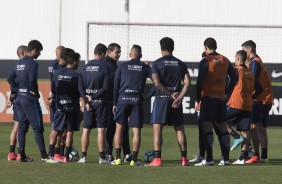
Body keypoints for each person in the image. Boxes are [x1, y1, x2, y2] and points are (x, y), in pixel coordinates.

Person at [7, 40, 57, 163]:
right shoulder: (34, 64)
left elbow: (10, 79)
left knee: (22, 128)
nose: (39, 54)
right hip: (29, 99)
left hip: (19, 99)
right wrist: (33, 92)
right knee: (38, 128)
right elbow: (32, 79)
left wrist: (18, 90)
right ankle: (44, 157)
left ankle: (22, 155)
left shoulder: (19, 63)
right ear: (34, 50)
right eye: (39, 52)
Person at [146, 37, 190, 167]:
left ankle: (157, 159)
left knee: (157, 130)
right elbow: (187, 83)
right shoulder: (180, 63)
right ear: (173, 48)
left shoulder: (157, 63)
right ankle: (184, 160)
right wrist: (179, 97)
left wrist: (170, 94)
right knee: (180, 130)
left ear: (161, 49)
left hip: (161, 100)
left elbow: (157, 83)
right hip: (176, 101)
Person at [195, 37, 238, 166]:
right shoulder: (225, 60)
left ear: (206, 48)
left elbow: (199, 82)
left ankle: (208, 160)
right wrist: (225, 91)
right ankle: (225, 159)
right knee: (223, 128)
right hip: (221, 99)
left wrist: (198, 97)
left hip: (208, 98)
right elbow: (235, 77)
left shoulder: (205, 61)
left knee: (207, 127)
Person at [111, 45, 151, 166]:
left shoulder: (122, 66)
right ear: (141, 55)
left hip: (122, 99)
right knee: (136, 131)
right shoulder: (144, 67)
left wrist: (114, 103)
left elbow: (116, 86)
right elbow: (157, 81)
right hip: (136, 100)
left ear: (130, 54)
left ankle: (117, 158)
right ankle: (133, 160)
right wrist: (147, 95)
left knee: (119, 129)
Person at [227, 50, 261, 164]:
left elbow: (228, 86)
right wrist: (251, 97)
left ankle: (235, 136)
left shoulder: (236, 71)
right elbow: (260, 89)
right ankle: (242, 158)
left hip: (236, 104)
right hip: (247, 105)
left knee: (218, 119)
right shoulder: (251, 73)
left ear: (237, 59)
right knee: (245, 131)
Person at [77, 43, 110, 164]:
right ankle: (102, 158)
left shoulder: (85, 67)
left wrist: (86, 100)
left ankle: (83, 157)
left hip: (88, 105)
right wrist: (94, 97)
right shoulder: (104, 67)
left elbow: (80, 87)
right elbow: (106, 87)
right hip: (100, 102)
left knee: (86, 130)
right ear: (102, 54)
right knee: (101, 130)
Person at [48, 48, 81, 162]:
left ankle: (49, 155)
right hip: (73, 106)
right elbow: (80, 91)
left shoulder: (57, 73)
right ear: (75, 62)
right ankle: (66, 157)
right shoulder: (77, 75)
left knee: (56, 129)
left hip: (60, 106)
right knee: (70, 131)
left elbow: (53, 89)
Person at [104, 43, 132, 162]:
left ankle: (126, 153)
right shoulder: (108, 65)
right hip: (110, 101)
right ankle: (109, 153)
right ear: (109, 52)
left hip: (117, 101)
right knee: (112, 128)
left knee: (122, 128)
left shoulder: (114, 65)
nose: (119, 54)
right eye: (117, 52)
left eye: (120, 52)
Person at [242, 40, 267, 164]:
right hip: (257, 99)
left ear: (250, 50)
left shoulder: (254, 63)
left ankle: (250, 155)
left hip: (254, 99)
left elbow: (252, 81)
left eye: (244, 50)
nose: (243, 52)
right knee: (251, 128)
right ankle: (251, 155)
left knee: (250, 128)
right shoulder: (257, 61)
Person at [7, 45, 29, 161]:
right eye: (27, 52)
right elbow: (14, 83)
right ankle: (20, 154)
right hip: (22, 100)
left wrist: (11, 98)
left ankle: (11, 153)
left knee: (16, 126)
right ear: (23, 53)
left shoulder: (17, 67)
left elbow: (13, 83)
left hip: (17, 100)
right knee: (20, 127)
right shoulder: (22, 66)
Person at [46, 46, 66, 161]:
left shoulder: (50, 65)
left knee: (56, 125)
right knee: (58, 127)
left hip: (54, 95)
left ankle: (55, 151)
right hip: (58, 97)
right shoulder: (59, 67)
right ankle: (57, 152)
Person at [259, 70, 273, 162]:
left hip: (263, 101)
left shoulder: (257, 71)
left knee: (255, 128)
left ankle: (251, 153)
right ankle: (263, 155)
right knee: (261, 128)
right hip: (266, 101)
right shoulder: (264, 71)